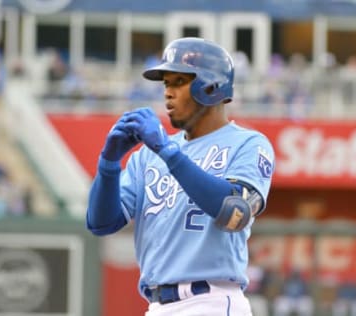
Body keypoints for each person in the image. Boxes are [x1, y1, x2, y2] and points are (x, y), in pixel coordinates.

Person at [86, 37, 275, 316]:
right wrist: (109, 163)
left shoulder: (248, 144)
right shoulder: (148, 156)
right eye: (166, 84)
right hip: (157, 305)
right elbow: (100, 223)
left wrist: (168, 151)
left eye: (179, 82)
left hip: (211, 301)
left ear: (211, 87)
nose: (168, 93)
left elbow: (235, 214)